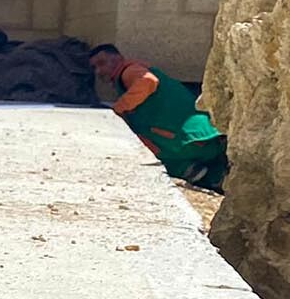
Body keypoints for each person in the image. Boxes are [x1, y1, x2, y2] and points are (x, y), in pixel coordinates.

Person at [88, 43, 228, 191]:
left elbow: (148, 81)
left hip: (188, 143)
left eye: (102, 63)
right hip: (209, 137)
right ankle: (213, 176)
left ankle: (195, 172)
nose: (99, 71)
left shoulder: (128, 71)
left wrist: (118, 109)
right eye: (94, 67)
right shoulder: (130, 75)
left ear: (118, 58)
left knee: (138, 148)